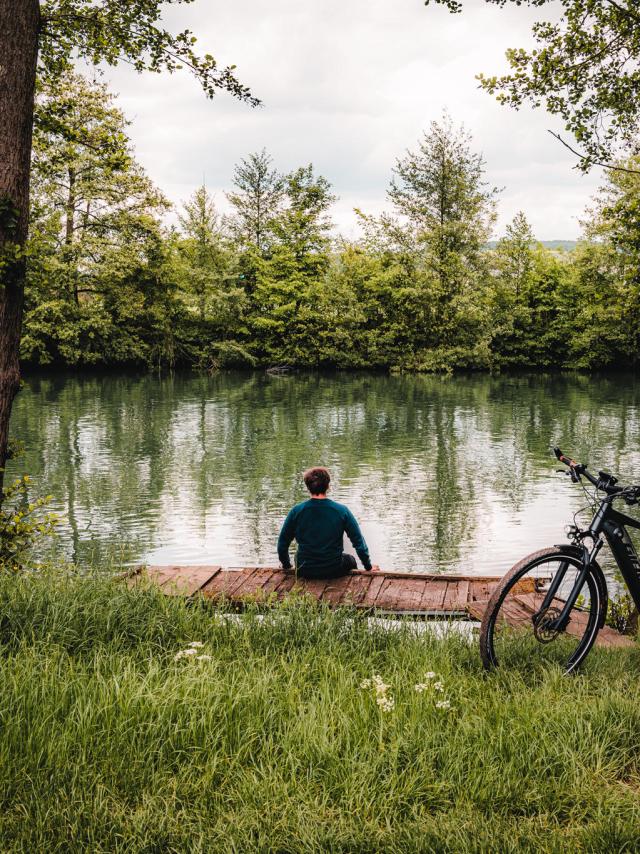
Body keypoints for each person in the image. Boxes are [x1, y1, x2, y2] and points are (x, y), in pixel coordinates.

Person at [277, 466, 377, 579]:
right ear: (328, 486)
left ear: (307, 487)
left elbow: (282, 544)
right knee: (351, 560)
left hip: (304, 569)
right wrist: (368, 566)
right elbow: (358, 542)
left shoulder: (296, 511)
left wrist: (286, 565)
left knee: (298, 556)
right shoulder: (342, 511)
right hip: (333, 569)